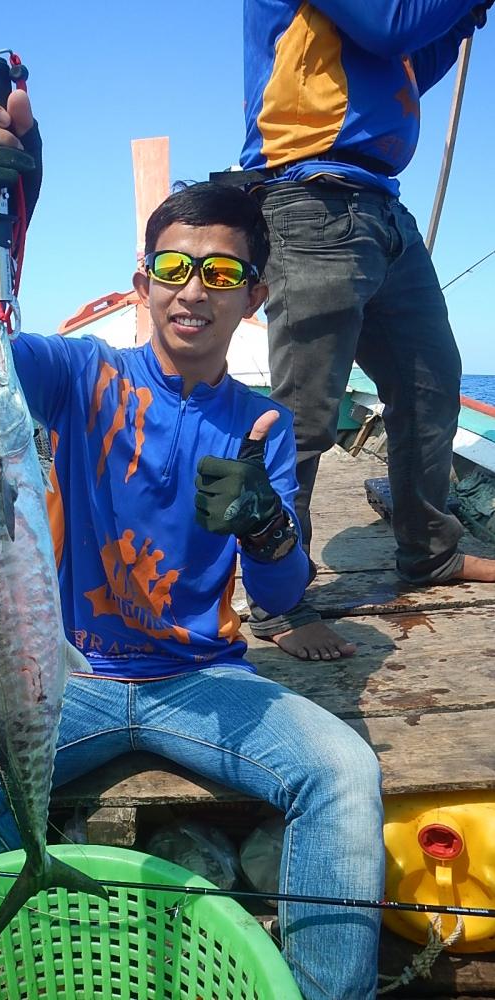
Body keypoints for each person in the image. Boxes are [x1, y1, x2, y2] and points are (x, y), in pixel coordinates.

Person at [0, 90, 385, 999]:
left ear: (257, 296)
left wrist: (267, 525)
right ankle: (53, 948)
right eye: (173, 265)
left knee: (346, 776)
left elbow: (280, 598)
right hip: (70, 673)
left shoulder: (262, 426)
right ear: (141, 283)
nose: (192, 288)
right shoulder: (81, 375)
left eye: (220, 272)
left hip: (205, 682)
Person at [234, 0, 495, 663]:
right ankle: (278, 601)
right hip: (309, 197)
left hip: (379, 204)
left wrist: (462, 20)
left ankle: (429, 552)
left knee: (433, 384)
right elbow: (393, 25)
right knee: (306, 417)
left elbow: (404, 61)